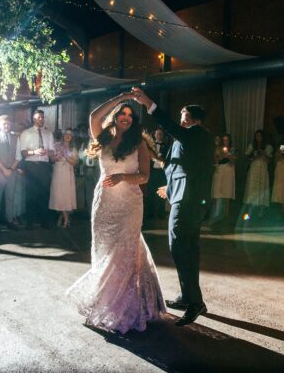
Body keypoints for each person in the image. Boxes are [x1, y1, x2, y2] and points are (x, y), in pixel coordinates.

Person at [67, 91, 165, 334]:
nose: (126, 117)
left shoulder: (139, 143)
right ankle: (107, 301)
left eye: (130, 115)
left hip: (130, 204)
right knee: (105, 251)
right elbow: (94, 115)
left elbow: (144, 175)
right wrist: (121, 97)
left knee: (126, 252)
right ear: (115, 116)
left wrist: (123, 177)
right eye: (122, 113)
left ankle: (129, 308)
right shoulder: (103, 137)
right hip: (104, 204)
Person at [133, 87, 213, 326]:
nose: (181, 118)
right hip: (182, 196)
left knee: (179, 246)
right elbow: (181, 167)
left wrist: (149, 103)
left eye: (184, 115)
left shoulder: (197, 134)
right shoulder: (185, 140)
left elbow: (169, 126)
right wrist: (169, 186)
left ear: (195, 120)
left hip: (188, 201)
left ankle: (195, 302)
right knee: (186, 247)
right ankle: (190, 296)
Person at [18, 109, 55, 229]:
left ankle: (44, 221)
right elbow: (23, 152)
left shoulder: (48, 133)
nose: (42, 120)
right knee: (31, 194)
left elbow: (52, 151)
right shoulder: (26, 133)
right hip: (31, 166)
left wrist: (46, 152)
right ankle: (29, 221)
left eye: (43, 118)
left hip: (44, 166)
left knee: (44, 193)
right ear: (34, 119)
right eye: (39, 118)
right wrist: (35, 151)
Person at [0, 115, 21, 231]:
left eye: (8, 123)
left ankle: (9, 221)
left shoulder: (16, 137)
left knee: (10, 198)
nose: (6, 126)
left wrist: (11, 169)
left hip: (11, 172)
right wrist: (4, 170)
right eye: (4, 124)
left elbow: (18, 156)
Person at [49, 129, 78, 228]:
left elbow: (74, 162)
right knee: (58, 196)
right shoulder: (56, 145)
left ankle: (63, 217)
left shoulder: (73, 148)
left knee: (66, 196)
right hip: (57, 172)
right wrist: (56, 157)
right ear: (63, 135)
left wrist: (65, 155)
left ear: (72, 137)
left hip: (68, 173)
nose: (68, 136)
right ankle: (65, 217)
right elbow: (51, 159)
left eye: (70, 134)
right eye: (66, 134)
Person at [243, 130, 273, 218]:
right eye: (257, 136)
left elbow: (270, 160)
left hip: (263, 168)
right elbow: (247, 157)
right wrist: (254, 155)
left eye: (260, 136)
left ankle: (261, 211)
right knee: (252, 189)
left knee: (262, 188)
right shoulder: (252, 146)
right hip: (254, 168)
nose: (259, 138)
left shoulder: (268, 147)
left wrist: (264, 154)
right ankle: (250, 212)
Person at [209, 133, 237, 226]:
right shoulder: (218, 148)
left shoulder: (233, 149)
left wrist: (229, 156)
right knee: (217, 192)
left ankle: (225, 216)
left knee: (227, 192)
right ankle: (215, 215)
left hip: (229, 171)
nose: (226, 141)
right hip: (220, 170)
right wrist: (221, 156)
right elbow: (216, 160)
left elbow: (233, 161)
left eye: (227, 140)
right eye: (224, 140)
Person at [146, 128, 169, 221]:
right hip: (152, 172)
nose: (159, 135)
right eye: (157, 134)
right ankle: (150, 213)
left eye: (161, 134)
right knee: (151, 192)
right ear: (154, 135)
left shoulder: (167, 146)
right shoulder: (150, 146)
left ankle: (161, 213)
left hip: (162, 172)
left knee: (162, 192)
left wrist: (162, 157)